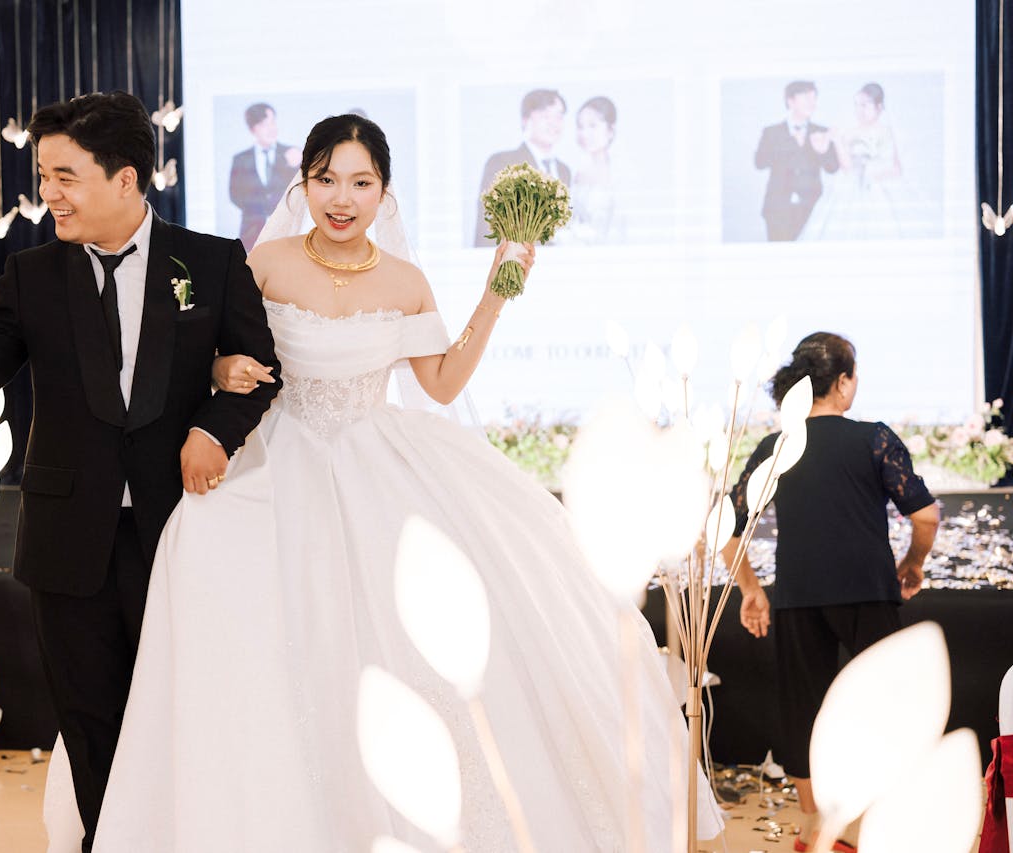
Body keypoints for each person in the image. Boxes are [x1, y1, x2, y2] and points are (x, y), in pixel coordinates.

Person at [47, 113, 723, 852]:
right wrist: (221, 370)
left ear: (384, 192)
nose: (343, 198)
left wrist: (498, 289)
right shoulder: (264, 262)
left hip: (379, 463)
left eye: (361, 183)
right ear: (303, 184)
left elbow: (439, 382)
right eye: (326, 180)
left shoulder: (404, 281)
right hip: (278, 463)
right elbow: (212, 355)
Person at [0, 91, 281, 852]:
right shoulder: (30, 273)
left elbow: (263, 371)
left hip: (181, 533)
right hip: (67, 540)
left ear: (126, 179)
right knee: (90, 723)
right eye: (42, 174)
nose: (47, 193)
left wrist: (212, 430)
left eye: (65, 175)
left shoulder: (213, 260)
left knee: (183, 712)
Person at [723, 332, 940, 852]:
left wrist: (752, 591)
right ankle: (882, 824)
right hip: (868, 587)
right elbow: (926, 514)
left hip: (799, 593)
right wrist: (911, 563)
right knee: (886, 701)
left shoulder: (776, 447)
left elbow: (727, 532)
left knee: (804, 709)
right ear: (842, 383)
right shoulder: (873, 439)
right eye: (854, 374)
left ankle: (816, 831)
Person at [799, 83, 912, 240]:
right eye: (857, 105)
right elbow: (846, 167)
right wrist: (836, 141)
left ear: (879, 107)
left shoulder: (888, 132)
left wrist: (875, 176)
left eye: (865, 105)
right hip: (849, 190)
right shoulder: (849, 132)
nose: (859, 110)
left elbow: (897, 169)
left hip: (878, 191)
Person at [473, 89, 571, 245]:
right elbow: (488, 227)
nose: (554, 123)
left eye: (559, 116)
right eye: (546, 116)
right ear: (526, 120)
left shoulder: (565, 171)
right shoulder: (502, 163)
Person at [754, 80, 840, 241]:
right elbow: (759, 163)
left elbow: (833, 168)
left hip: (813, 208)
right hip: (778, 209)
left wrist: (822, 150)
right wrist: (787, 143)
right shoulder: (772, 132)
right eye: (806, 98)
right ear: (790, 101)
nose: (812, 103)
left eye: (814, 98)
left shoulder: (821, 131)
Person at [228, 102, 302, 248]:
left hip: (288, 233)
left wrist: (298, 164)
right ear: (253, 129)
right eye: (264, 124)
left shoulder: (293, 154)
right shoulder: (241, 159)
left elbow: (302, 191)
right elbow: (235, 195)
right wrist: (260, 209)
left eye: (273, 122)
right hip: (252, 234)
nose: (271, 129)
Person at [567, 96, 624, 245]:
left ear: (610, 130)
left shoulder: (620, 175)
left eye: (593, 126)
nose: (584, 133)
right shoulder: (572, 172)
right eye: (580, 126)